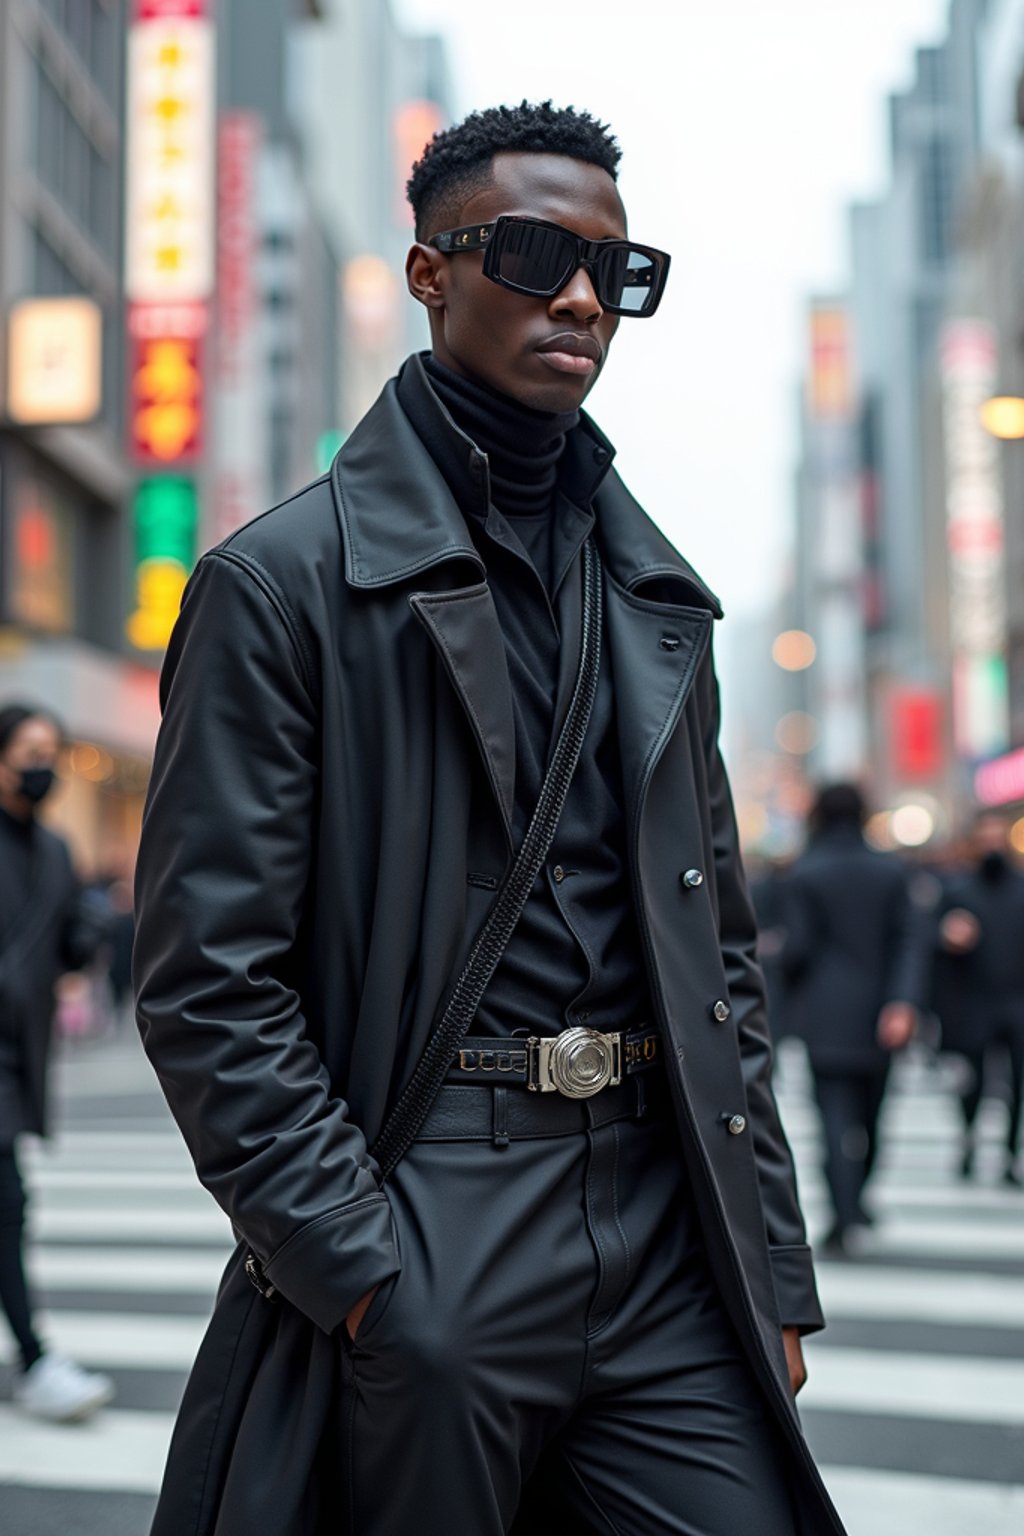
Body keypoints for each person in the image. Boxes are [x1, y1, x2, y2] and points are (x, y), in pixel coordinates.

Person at [134, 103, 845, 1535]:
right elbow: (208, 978)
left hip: (661, 1216)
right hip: (431, 1192)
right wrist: (365, 1277)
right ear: (429, 272)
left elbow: (724, 961)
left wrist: (768, 1262)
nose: (581, 296)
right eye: (532, 254)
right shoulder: (281, 585)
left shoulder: (658, 600)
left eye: (615, 270)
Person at [0, 703, 114, 1421]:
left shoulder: (53, 852)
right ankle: (36, 1358)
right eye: (29, 749)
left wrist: (93, 929)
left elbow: (71, 947)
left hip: (18, 1052)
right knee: (7, 1203)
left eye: (52, 751)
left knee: (7, 1203)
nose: (42, 764)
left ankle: (36, 1359)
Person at [782, 784, 921, 1256]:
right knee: (873, 1114)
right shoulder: (891, 870)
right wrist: (903, 1002)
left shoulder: (807, 872)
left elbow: (797, 948)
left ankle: (843, 1215)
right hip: (881, 1012)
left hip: (824, 1012)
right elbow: (909, 941)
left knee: (832, 1117)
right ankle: (857, 1200)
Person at [936, 810, 1024, 1186]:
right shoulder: (957, 890)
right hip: (972, 1003)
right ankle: (969, 1139)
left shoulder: (1020, 888)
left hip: (1017, 1001)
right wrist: (947, 936)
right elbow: (931, 949)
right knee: (972, 1082)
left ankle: (1008, 1153)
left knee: (1016, 1084)